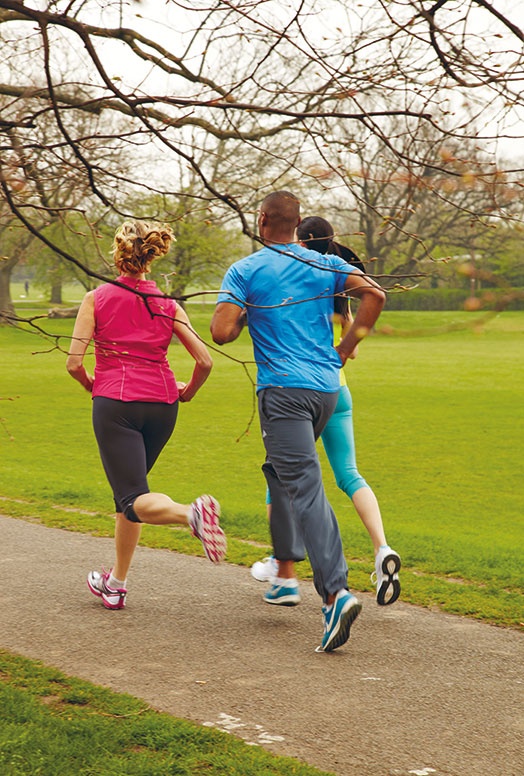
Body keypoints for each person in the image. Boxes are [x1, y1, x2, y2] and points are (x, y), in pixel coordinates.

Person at [211, 191, 385, 652]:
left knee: (305, 486)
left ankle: (335, 594)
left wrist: (247, 311)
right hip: (326, 390)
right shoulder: (325, 264)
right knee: (280, 472)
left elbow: (221, 332)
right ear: (296, 222)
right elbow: (375, 294)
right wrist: (345, 348)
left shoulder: (246, 270)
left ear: (261, 219)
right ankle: (285, 574)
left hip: (284, 392)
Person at [66, 220, 226, 610]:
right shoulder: (167, 304)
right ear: (151, 257)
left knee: (132, 496)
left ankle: (191, 514)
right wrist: (187, 391)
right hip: (163, 405)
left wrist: (91, 385)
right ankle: (116, 584)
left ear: (118, 254)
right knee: (132, 495)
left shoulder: (96, 298)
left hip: (116, 403)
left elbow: (73, 363)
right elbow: (205, 361)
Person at [250, 216, 401, 608]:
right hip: (338, 392)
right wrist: (342, 351)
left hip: (297, 391)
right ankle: (382, 547)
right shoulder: (338, 290)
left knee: (281, 477)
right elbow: (355, 343)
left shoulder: (303, 287)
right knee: (349, 474)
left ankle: (282, 566)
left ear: (300, 242)